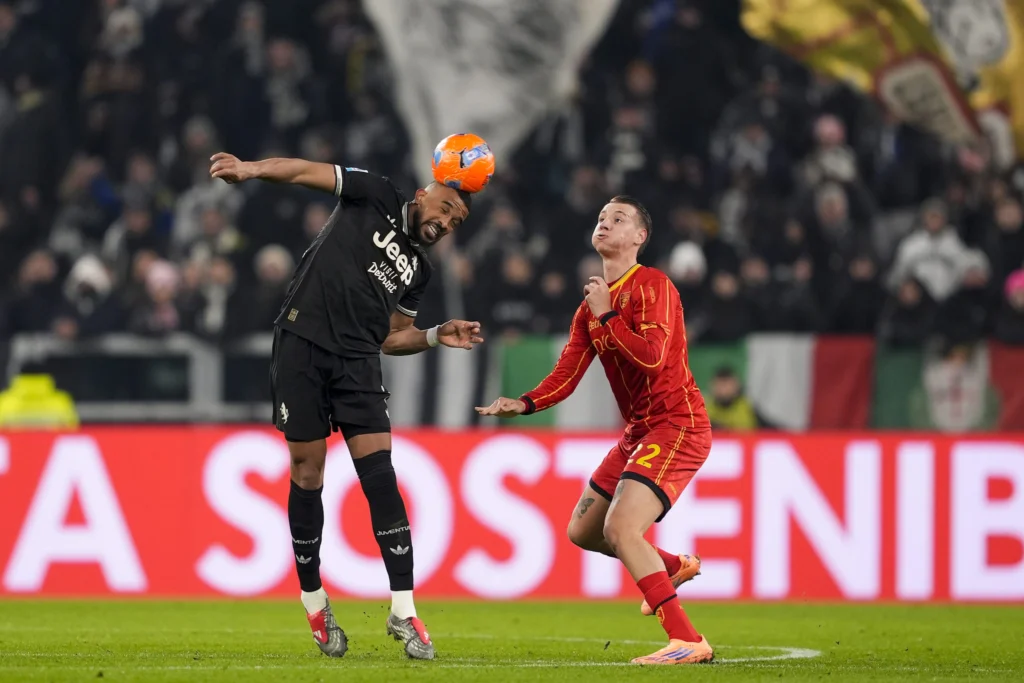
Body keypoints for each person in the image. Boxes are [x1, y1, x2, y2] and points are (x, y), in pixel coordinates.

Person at [209, 152, 484, 661]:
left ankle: (403, 608)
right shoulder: (375, 193)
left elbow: (391, 338)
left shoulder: (419, 271)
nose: (445, 223)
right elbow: (304, 172)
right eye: (444, 208)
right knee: (307, 471)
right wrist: (251, 169)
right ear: (422, 195)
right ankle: (314, 601)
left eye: (455, 221)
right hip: (302, 343)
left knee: (380, 475)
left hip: (358, 363)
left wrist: (433, 334)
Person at [476, 196, 714, 666]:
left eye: (618, 219)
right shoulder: (591, 306)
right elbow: (567, 373)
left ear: (639, 237)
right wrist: (523, 403)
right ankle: (671, 567)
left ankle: (687, 639)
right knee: (583, 530)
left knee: (621, 528)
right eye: (602, 217)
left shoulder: (654, 285)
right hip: (638, 432)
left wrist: (608, 313)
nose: (605, 223)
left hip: (677, 424)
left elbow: (652, 357)